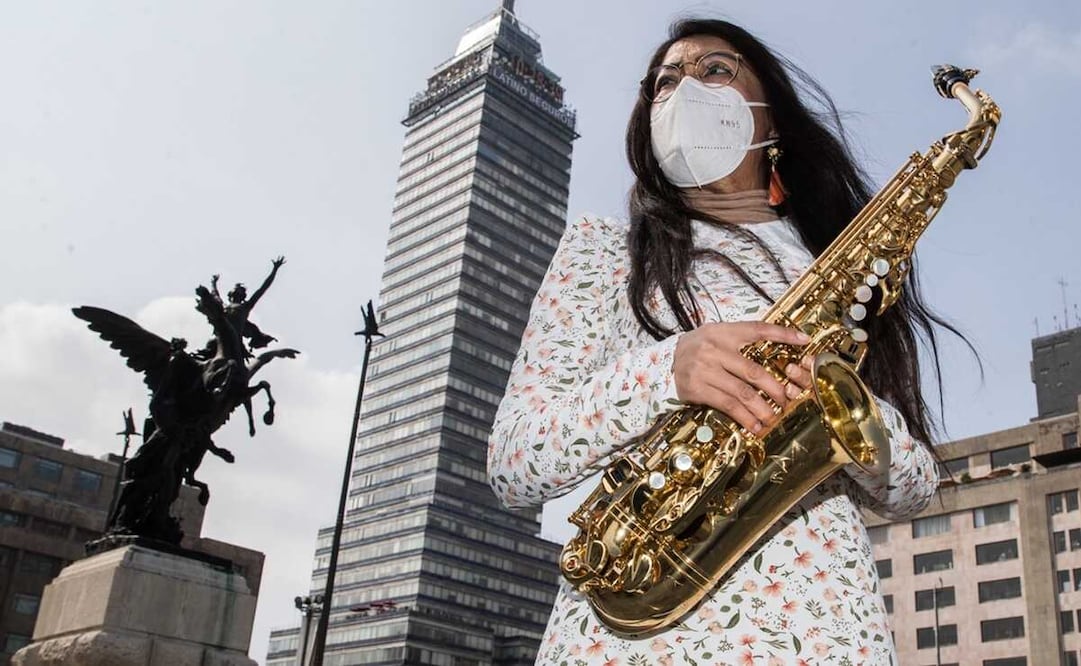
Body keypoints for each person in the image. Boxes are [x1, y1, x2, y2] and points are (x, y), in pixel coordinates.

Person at [488, 18, 945, 665]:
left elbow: (917, 487)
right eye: (662, 83)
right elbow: (513, 461)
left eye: (713, 70)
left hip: (823, 634)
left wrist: (843, 407)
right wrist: (665, 371)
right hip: (633, 639)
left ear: (771, 118)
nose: (680, 92)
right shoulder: (603, 249)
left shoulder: (838, 271)